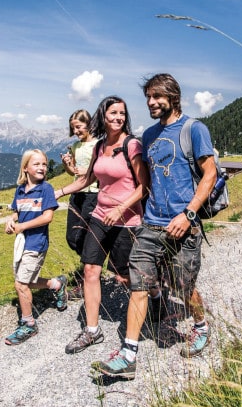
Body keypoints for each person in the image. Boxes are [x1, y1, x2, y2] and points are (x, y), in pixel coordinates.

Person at [92, 73, 217, 379]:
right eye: (148, 97)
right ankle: (128, 354)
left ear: (173, 96)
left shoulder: (193, 129)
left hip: (183, 226)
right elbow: (146, 181)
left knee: (182, 286)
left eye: (157, 96)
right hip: (151, 224)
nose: (151, 102)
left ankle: (200, 326)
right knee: (139, 285)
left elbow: (210, 174)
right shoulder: (147, 136)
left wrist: (188, 215)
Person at [54, 96, 149, 354]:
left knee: (123, 276)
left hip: (126, 221)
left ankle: (153, 297)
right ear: (103, 116)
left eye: (122, 113)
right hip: (99, 215)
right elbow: (86, 180)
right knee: (90, 271)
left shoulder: (132, 145)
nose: (118, 117)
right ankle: (92, 331)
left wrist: (121, 207)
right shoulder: (99, 147)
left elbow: (144, 185)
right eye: (113, 113)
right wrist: (59, 192)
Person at [4, 149, 68, 345]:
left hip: (36, 243)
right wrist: (10, 219)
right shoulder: (20, 189)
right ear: (25, 168)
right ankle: (56, 284)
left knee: (21, 284)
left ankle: (29, 324)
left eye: (44, 164)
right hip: (22, 243)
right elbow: (18, 211)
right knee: (26, 281)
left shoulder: (46, 189)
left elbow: (47, 216)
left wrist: (22, 226)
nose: (41, 167)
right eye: (36, 164)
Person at [60, 109, 99, 298]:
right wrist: (67, 164)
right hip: (77, 194)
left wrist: (87, 170)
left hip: (93, 195)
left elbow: (99, 170)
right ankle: (91, 268)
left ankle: (88, 277)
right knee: (73, 237)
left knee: (86, 236)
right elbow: (73, 172)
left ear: (89, 124)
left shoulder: (98, 145)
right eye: (73, 128)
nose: (75, 131)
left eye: (78, 126)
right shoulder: (75, 146)